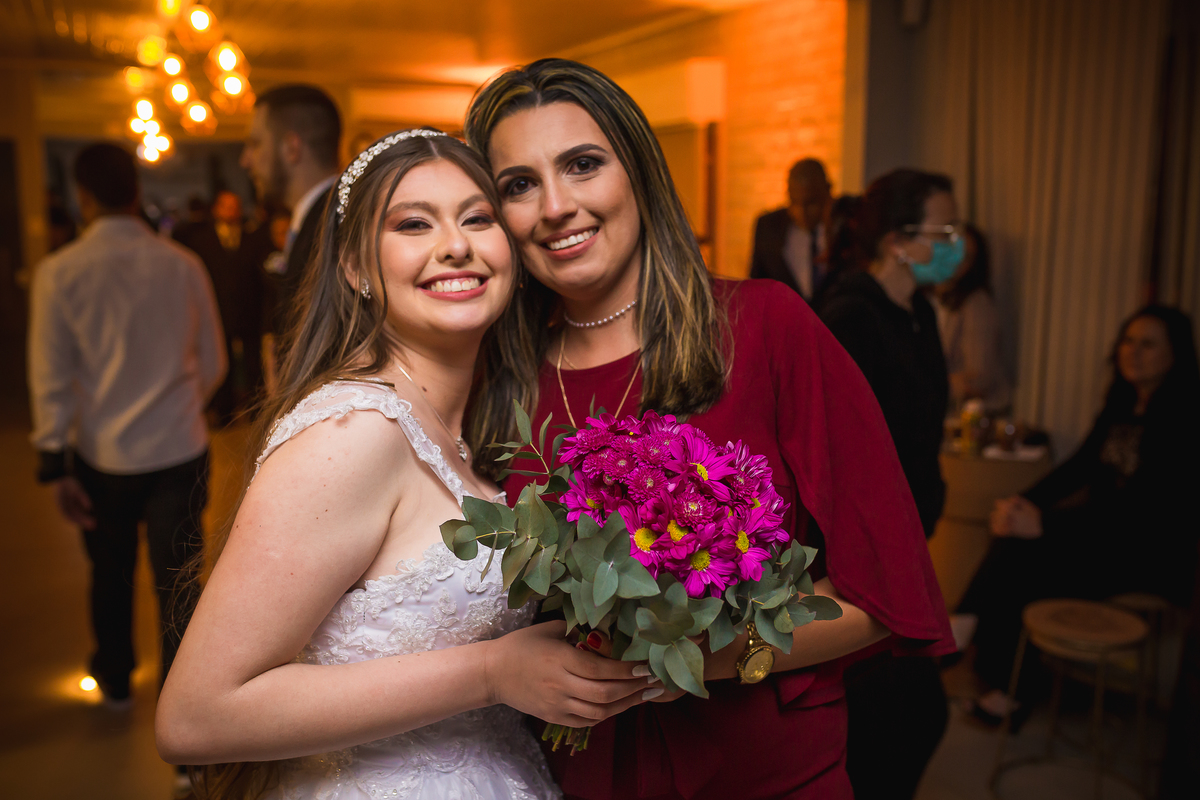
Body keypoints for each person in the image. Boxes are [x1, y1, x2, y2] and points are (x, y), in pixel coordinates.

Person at [464, 58, 953, 800]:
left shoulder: (764, 326)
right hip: (580, 777)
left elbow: (884, 596)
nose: (556, 206)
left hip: (765, 774)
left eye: (583, 164)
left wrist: (693, 656)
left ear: (638, 172)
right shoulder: (498, 377)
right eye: (519, 184)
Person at [156, 129, 655, 800]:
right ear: (356, 269)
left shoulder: (472, 432)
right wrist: (489, 674)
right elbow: (194, 718)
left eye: (477, 219)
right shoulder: (351, 432)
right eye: (414, 224)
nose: (455, 246)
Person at [27, 143, 226, 708]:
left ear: (83, 196)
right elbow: (213, 361)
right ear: (136, 191)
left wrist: (54, 458)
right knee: (179, 579)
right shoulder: (182, 264)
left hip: (101, 452)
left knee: (109, 572)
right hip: (178, 446)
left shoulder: (59, 272)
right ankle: (183, 705)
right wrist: (179, 404)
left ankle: (115, 679)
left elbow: (50, 374)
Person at [957, 305, 1200, 723]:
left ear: (1175, 354)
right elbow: (1078, 468)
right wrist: (1019, 503)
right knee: (1016, 544)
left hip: (1150, 552)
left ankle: (979, 648)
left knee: (1028, 562)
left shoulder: (1184, 418)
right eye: (1128, 341)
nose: (1133, 352)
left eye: (1148, 344)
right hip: (1105, 535)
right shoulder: (1122, 405)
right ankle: (990, 665)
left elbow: (1143, 509)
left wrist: (1044, 524)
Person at [815, 168, 959, 799]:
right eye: (944, 232)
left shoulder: (918, 311)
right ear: (899, 241)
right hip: (860, 553)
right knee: (909, 714)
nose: (956, 244)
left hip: (907, 535)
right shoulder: (850, 317)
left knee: (903, 717)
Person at [239, 84, 341, 352]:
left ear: (291, 148)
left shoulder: (335, 229)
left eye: (255, 144)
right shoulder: (316, 219)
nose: (245, 161)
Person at [178, 190, 273, 424]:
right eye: (227, 206)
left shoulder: (252, 238)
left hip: (249, 309)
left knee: (253, 362)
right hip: (218, 309)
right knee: (221, 359)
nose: (232, 211)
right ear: (216, 209)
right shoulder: (202, 241)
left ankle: (256, 409)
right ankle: (224, 411)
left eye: (235, 206)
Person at [929, 223, 1012, 412]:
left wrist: (930, 384)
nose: (957, 261)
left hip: (972, 414)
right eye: (953, 251)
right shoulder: (932, 295)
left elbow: (979, 378)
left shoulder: (976, 304)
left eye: (966, 257)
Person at [749, 158, 833, 305]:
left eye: (811, 203)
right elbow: (756, 287)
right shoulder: (769, 228)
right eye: (794, 202)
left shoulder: (844, 227)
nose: (802, 212)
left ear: (827, 191)